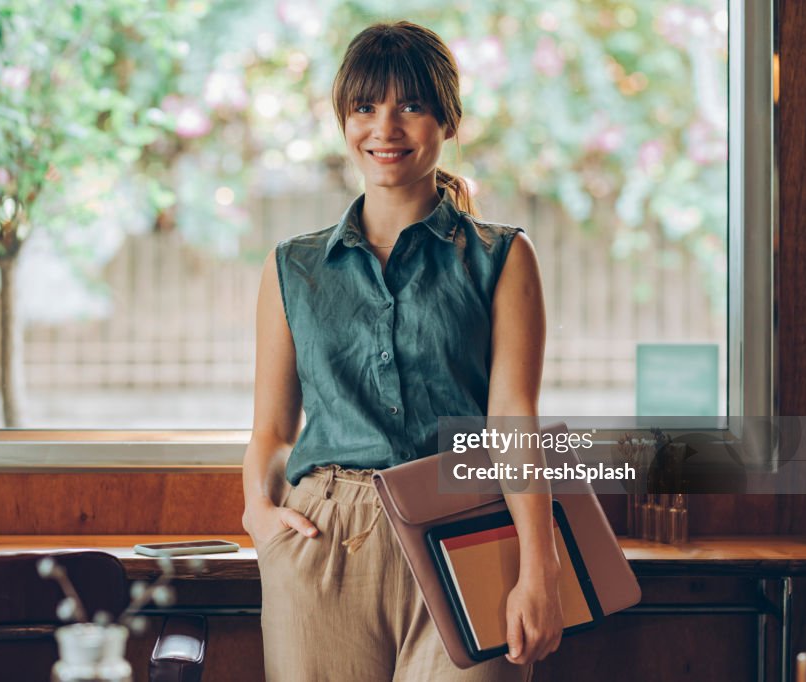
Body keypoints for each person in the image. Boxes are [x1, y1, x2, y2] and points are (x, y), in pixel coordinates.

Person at [242, 20, 563, 682]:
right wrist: (259, 513)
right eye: (365, 106)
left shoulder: (503, 257)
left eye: (410, 105)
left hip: (468, 529)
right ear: (344, 120)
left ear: (446, 119)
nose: (384, 127)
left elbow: (513, 421)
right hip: (322, 540)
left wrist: (539, 565)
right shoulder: (292, 268)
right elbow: (273, 431)